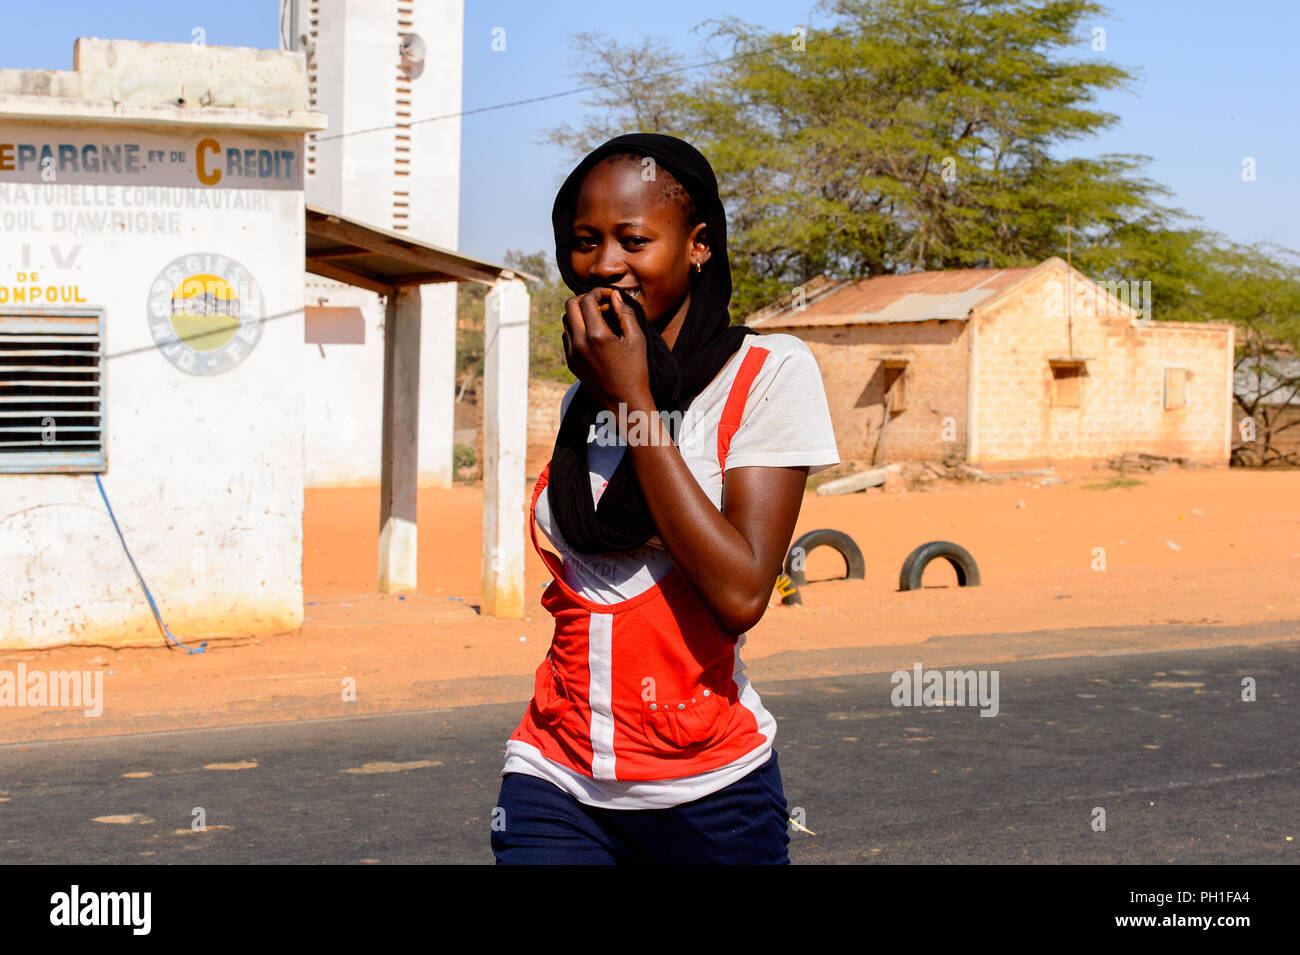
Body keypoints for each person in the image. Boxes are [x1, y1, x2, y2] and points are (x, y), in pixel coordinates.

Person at [490, 133, 839, 865]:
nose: (605, 264)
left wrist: (636, 396)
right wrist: (617, 387)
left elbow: (741, 591)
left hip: (710, 791)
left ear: (699, 244)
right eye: (585, 241)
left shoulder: (767, 375)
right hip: (556, 773)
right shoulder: (589, 396)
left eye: (633, 239)